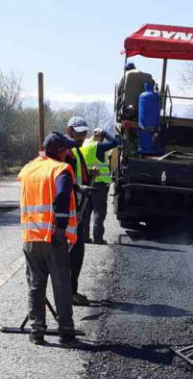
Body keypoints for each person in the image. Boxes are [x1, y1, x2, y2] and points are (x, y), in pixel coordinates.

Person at [18, 131, 80, 345]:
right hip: (52, 236)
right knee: (61, 284)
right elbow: (61, 195)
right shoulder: (60, 169)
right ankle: (66, 330)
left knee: (36, 285)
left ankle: (36, 331)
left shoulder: (28, 169)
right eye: (67, 149)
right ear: (60, 151)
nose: (69, 152)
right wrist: (61, 227)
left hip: (31, 236)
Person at [64, 116, 93, 306]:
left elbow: (78, 180)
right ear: (69, 131)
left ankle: (71, 291)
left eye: (84, 133)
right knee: (73, 254)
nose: (82, 136)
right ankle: (69, 293)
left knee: (77, 253)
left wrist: (90, 175)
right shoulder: (67, 153)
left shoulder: (76, 151)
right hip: (72, 211)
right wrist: (75, 212)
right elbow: (68, 186)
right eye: (79, 132)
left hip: (77, 208)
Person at [80, 127, 121, 245]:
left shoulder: (84, 144)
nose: (103, 140)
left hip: (85, 183)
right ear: (99, 136)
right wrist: (105, 133)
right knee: (99, 211)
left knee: (86, 211)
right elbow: (115, 143)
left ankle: (84, 237)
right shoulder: (97, 146)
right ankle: (97, 239)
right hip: (99, 184)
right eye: (102, 137)